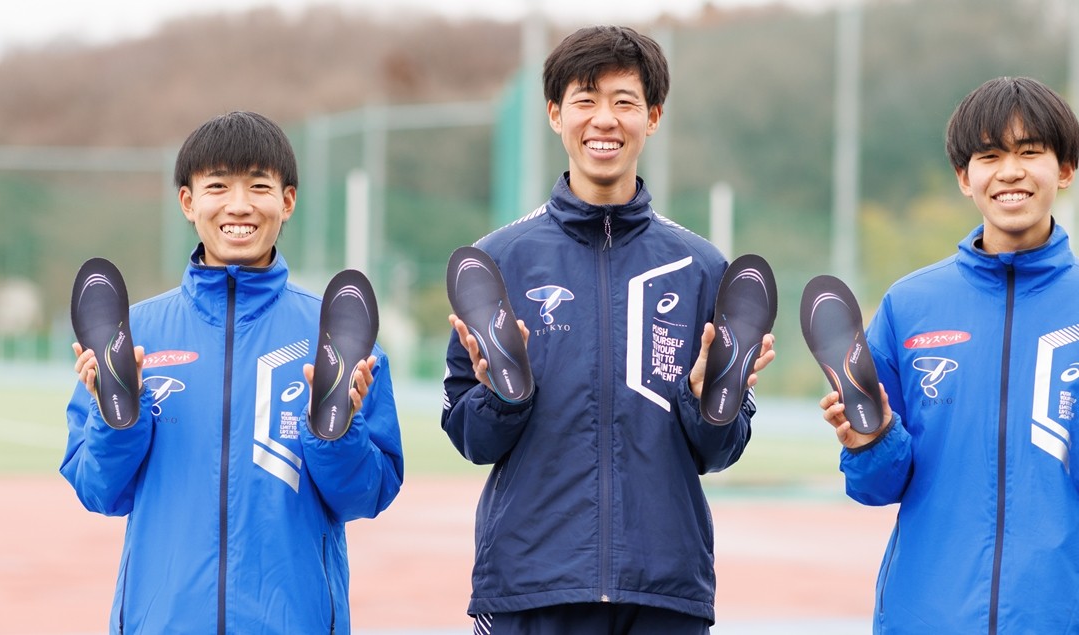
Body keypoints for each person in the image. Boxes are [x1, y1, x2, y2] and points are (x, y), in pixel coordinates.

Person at [819, 76, 1079, 633]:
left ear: (1066, 169)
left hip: (1066, 614)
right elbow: (878, 487)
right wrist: (866, 442)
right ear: (964, 177)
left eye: (1031, 152)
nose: (1010, 171)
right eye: (989, 155)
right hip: (926, 615)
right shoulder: (910, 306)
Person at [442, 25, 776, 634]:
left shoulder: (701, 268)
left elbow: (719, 452)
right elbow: (469, 439)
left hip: (664, 587)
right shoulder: (498, 262)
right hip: (529, 585)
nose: (605, 120)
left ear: (653, 116)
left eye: (624, 101)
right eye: (585, 100)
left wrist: (715, 408)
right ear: (554, 113)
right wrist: (500, 399)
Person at [61, 111, 404, 634]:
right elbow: (99, 491)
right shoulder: (134, 337)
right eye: (217, 185)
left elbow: (365, 496)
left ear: (287, 202)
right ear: (188, 202)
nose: (239, 205)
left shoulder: (334, 333)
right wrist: (117, 420)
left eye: (259, 186)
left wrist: (337, 431)